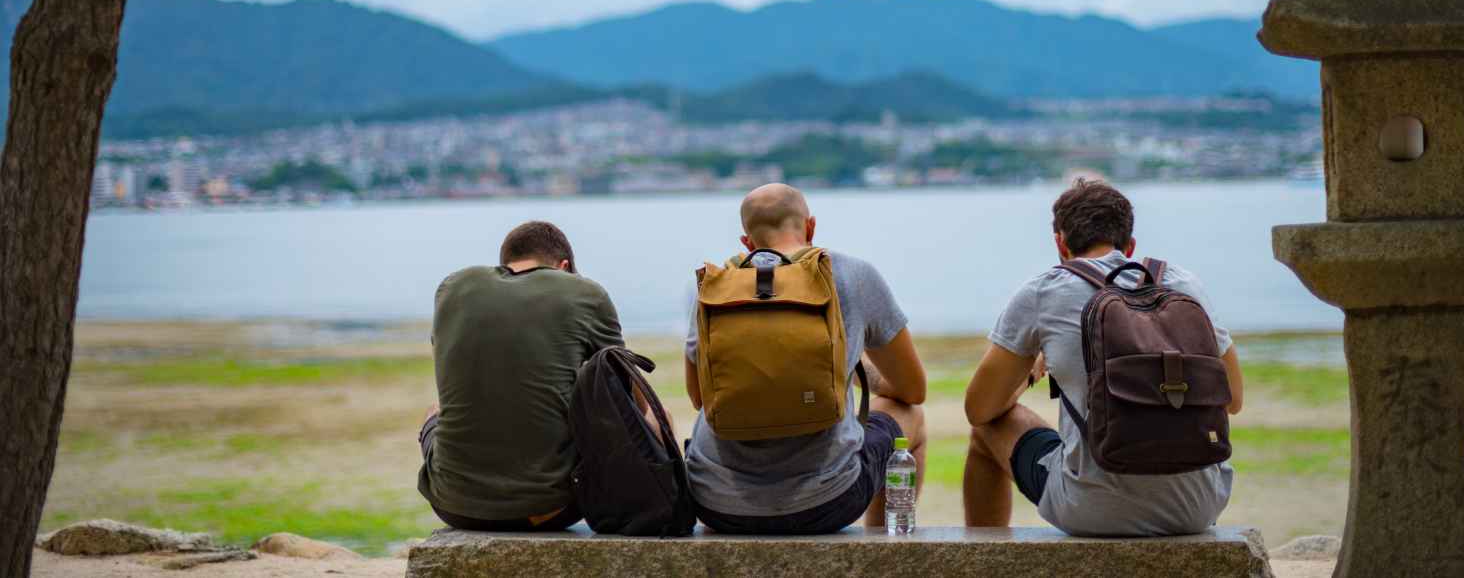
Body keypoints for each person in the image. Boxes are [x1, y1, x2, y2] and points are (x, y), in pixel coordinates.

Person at [962, 179, 1245, 535]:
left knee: (986, 429)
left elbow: (978, 408)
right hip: (1199, 507)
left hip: (1091, 509)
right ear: (1130, 246)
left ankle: (981, 566)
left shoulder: (1044, 291)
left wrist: (1033, 372)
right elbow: (1233, 399)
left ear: (1060, 244)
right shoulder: (1183, 284)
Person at [683, 183, 928, 534]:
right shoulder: (855, 275)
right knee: (910, 417)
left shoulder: (715, 287)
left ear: (747, 243)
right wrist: (849, 365)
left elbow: (698, 398)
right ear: (810, 227)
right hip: (826, 502)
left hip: (714, 503)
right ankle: (884, 551)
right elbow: (913, 389)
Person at [416, 220, 625, 531]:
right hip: (550, 509)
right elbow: (626, 394)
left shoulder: (453, 287)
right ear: (564, 266)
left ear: (507, 265)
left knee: (435, 412)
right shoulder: (584, 292)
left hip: (453, 505)